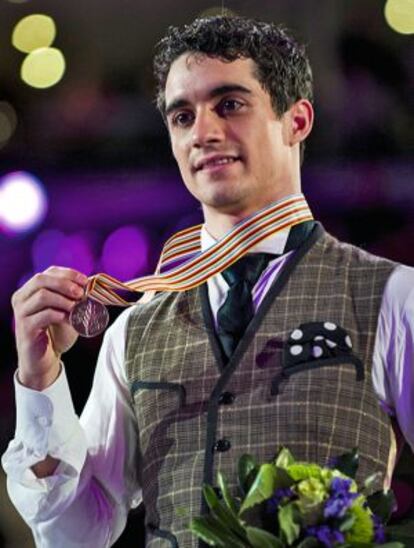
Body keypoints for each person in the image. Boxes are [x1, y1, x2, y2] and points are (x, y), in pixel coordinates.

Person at [2, 15, 414, 548]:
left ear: (297, 120)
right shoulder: (136, 329)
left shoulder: (390, 297)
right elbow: (77, 536)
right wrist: (41, 385)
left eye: (230, 104)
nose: (203, 132)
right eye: (181, 116)